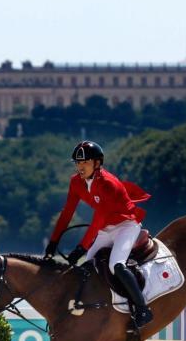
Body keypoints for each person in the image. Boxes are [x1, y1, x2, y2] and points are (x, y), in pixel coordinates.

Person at [45, 140, 153, 328]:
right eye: (78, 163)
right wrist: (53, 242)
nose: (80, 167)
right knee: (88, 268)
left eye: (85, 162)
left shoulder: (108, 184)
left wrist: (81, 247)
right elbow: (67, 213)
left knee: (116, 265)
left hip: (126, 225)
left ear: (97, 163)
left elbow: (98, 219)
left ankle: (143, 309)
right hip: (105, 228)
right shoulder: (75, 182)